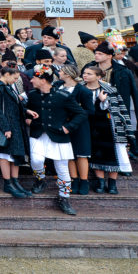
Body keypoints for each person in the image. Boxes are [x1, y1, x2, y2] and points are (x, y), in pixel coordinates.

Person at [26, 64, 86, 215]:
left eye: (34, 77)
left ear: (43, 80)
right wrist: (27, 117)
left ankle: (64, 198)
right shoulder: (31, 95)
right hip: (38, 133)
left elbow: (81, 113)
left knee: (62, 168)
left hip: (59, 135)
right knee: (36, 160)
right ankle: (40, 179)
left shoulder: (63, 96)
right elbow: (20, 107)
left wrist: (68, 127)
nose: (31, 80)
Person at [81, 66, 130, 194]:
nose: (85, 75)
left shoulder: (109, 89)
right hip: (90, 125)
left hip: (109, 126)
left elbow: (119, 108)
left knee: (114, 154)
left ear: (98, 77)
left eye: (89, 74)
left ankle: (112, 184)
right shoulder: (80, 88)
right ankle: (100, 181)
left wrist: (103, 101)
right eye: (84, 73)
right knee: (96, 153)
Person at [0, 65, 33, 198]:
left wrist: (26, 111)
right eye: (14, 78)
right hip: (7, 126)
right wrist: (5, 128)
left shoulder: (9, 87)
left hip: (16, 124)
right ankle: (7, 183)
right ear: (6, 75)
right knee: (5, 155)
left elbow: (14, 105)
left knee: (15, 154)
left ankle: (15, 181)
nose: (16, 80)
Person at [57, 63, 93, 195]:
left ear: (67, 74)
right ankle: (74, 179)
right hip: (62, 125)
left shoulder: (83, 91)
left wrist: (74, 116)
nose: (58, 73)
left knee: (82, 153)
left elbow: (90, 110)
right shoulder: (57, 87)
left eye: (61, 71)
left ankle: (84, 180)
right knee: (69, 154)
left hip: (79, 125)